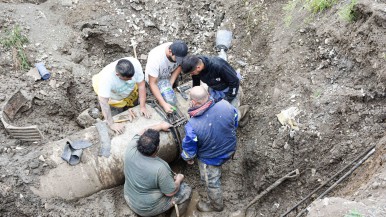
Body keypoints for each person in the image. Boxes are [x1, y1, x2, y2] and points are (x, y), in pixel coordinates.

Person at [181, 86, 238, 212]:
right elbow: (235, 122)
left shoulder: (192, 125)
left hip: (211, 159)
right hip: (230, 148)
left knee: (212, 182)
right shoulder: (225, 105)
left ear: (194, 102)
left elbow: (190, 148)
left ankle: (216, 206)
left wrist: (187, 158)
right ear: (207, 94)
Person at [124, 122, 192, 217]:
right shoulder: (160, 168)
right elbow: (170, 193)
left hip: (129, 196)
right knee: (185, 190)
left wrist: (160, 126)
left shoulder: (131, 147)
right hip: (145, 208)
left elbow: (142, 131)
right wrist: (179, 179)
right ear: (157, 148)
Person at [181, 55, 249, 123]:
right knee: (210, 111)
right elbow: (196, 82)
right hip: (214, 89)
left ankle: (243, 110)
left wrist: (227, 99)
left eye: (192, 73)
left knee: (229, 118)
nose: (191, 75)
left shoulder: (218, 65)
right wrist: (194, 98)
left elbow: (235, 81)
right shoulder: (195, 66)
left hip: (230, 89)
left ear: (198, 67)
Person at [92, 57, 150, 134]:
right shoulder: (106, 80)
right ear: (117, 75)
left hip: (128, 90)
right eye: (128, 79)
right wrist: (111, 124)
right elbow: (103, 102)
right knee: (114, 111)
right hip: (114, 95)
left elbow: (141, 85)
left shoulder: (135, 64)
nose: (131, 79)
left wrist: (143, 107)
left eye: (132, 77)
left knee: (133, 97)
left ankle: (129, 104)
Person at [145, 40, 188, 113]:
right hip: (155, 80)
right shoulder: (155, 59)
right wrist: (163, 104)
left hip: (168, 75)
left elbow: (180, 66)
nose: (178, 61)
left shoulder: (179, 50)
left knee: (170, 98)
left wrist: (170, 83)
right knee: (159, 99)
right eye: (177, 59)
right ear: (170, 52)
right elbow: (152, 83)